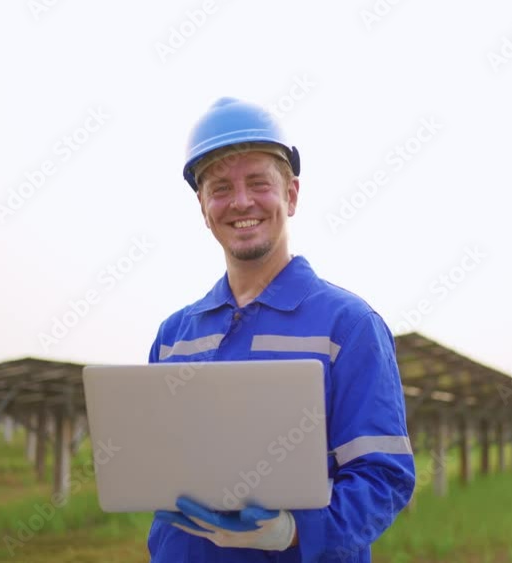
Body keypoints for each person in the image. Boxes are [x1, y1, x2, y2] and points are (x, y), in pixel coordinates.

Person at [146, 97, 416, 562]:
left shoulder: (348, 326)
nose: (242, 202)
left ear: (291, 194)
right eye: (221, 188)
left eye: (258, 184)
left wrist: (294, 531)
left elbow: (384, 478)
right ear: (203, 205)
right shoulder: (174, 336)